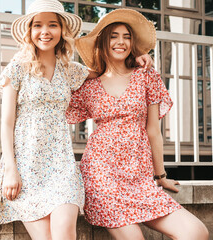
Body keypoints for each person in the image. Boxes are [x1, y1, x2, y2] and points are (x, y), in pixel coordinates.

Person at [0, 1, 152, 239]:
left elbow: (106, 68)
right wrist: (11, 170)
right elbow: (6, 123)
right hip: (26, 165)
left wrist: (136, 55)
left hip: (61, 165)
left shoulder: (68, 69)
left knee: (65, 231)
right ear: (30, 31)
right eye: (38, 25)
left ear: (61, 30)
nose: (45, 31)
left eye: (52, 25)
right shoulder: (18, 68)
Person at [66, 9, 209, 240]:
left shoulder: (146, 76)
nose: (120, 41)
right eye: (113, 36)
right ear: (103, 41)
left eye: (126, 36)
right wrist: (92, 71)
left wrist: (160, 175)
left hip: (139, 178)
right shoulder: (88, 86)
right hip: (102, 177)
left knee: (196, 232)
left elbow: (154, 131)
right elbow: (55, 92)